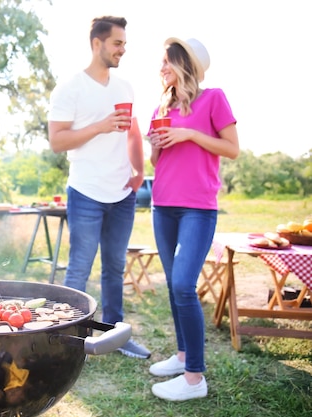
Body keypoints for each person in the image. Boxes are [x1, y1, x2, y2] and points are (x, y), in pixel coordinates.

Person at [47, 16, 150, 359]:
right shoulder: (70, 88)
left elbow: (134, 133)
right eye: (117, 43)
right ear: (97, 43)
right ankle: (68, 339)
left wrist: (139, 171)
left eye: (124, 43)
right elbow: (57, 141)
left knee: (115, 268)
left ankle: (115, 334)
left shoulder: (125, 87)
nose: (123, 49)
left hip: (121, 193)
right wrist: (100, 126)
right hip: (87, 191)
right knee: (79, 267)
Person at [147, 38, 239, 401]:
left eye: (167, 61)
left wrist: (190, 134)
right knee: (173, 284)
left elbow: (232, 148)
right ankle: (183, 354)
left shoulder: (213, 98)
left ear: (184, 63)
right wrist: (155, 144)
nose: (162, 68)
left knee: (184, 284)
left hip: (198, 208)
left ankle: (194, 378)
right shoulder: (161, 105)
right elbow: (158, 162)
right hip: (163, 205)